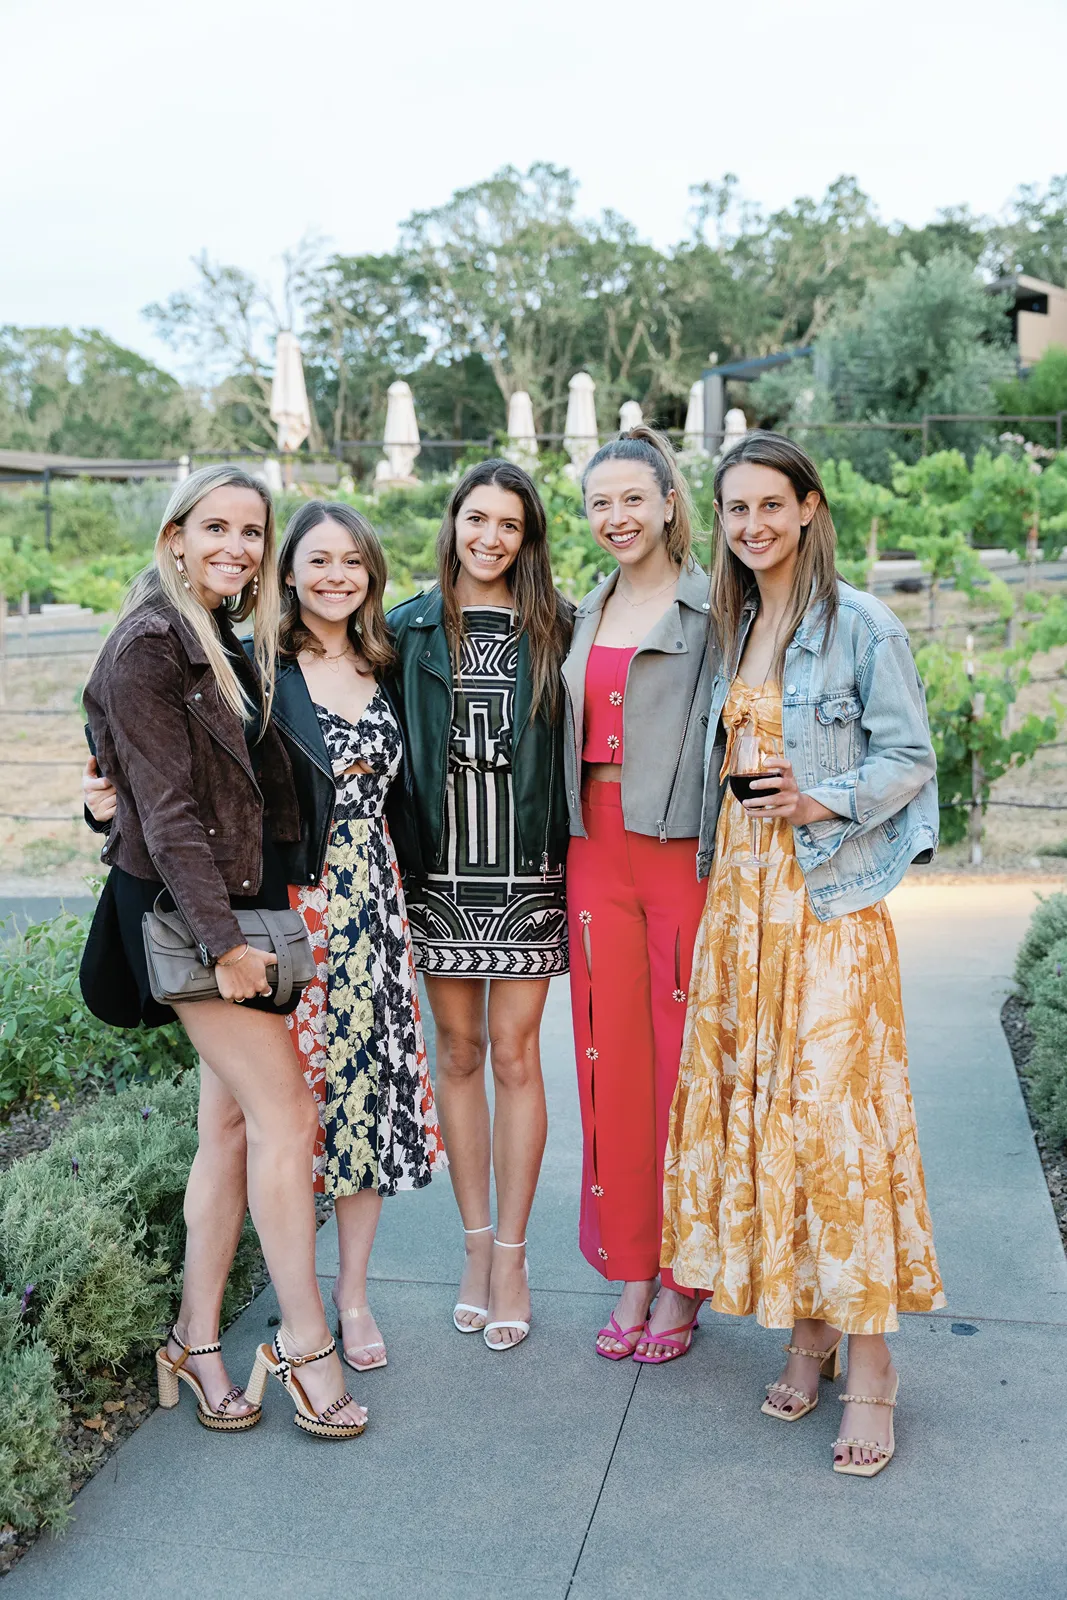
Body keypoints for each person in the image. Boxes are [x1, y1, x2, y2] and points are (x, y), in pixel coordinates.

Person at [661, 430, 944, 1477]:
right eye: (734, 510)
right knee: (770, 1106)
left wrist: (823, 796)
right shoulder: (736, 621)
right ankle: (812, 1326)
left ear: (810, 507)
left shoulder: (857, 620)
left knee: (835, 1124)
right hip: (742, 904)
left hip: (825, 903)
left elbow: (908, 754)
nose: (751, 526)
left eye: (769, 506)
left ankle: (870, 1362)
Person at [80, 464, 366, 1440]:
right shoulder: (150, 644)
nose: (238, 548)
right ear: (175, 534)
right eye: (217, 528)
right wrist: (228, 943)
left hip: (245, 906)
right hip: (189, 916)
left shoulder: (220, 637)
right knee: (287, 1118)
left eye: (252, 532)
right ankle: (303, 1340)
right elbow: (164, 812)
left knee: (233, 1132)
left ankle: (195, 1341)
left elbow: (215, 779)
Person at [388, 460, 571, 1350]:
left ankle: (513, 1253)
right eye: (476, 519)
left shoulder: (560, 629)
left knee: (513, 1055)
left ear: (528, 537)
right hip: (438, 874)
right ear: (453, 522)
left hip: (529, 871)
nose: (490, 537)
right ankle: (471, 1249)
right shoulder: (406, 632)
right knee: (455, 1054)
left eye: (509, 524)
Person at [276, 500, 445, 1371]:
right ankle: (298, 1296)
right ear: (290, 571)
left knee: (365, 1107)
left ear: (371, 572)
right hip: (291, 909)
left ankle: (352, 1295)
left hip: (375, 908)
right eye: (318, 560)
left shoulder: (391, 660)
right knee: (288, 1107)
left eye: (352, 560)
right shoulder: (262, 669)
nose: (336, 575)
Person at [562, 426, 713, 1362]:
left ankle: (686, 1280)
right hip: (592, 851)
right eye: (598, 504)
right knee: (607, 1062)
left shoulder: (715, 605)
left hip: (682, 853)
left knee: (683, 1064)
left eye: (631, 499)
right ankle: (629, 1270)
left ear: (666, 503)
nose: (615, 518)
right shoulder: (585, 608)